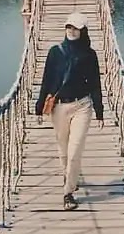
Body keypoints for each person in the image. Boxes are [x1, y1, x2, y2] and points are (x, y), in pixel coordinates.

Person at [35, 11, 104, 210]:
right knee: (63, 151)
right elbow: (47, 81)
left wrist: (99, 111)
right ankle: (69, 175)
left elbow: (95, 85)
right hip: (59, 107)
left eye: (75, 28)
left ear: (83, 31)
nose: (71, 31)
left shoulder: (89, 55)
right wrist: (39, 107)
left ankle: (68, 192)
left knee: (75, 151)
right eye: (69, 27)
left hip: (82, 106)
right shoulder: (55, 52)